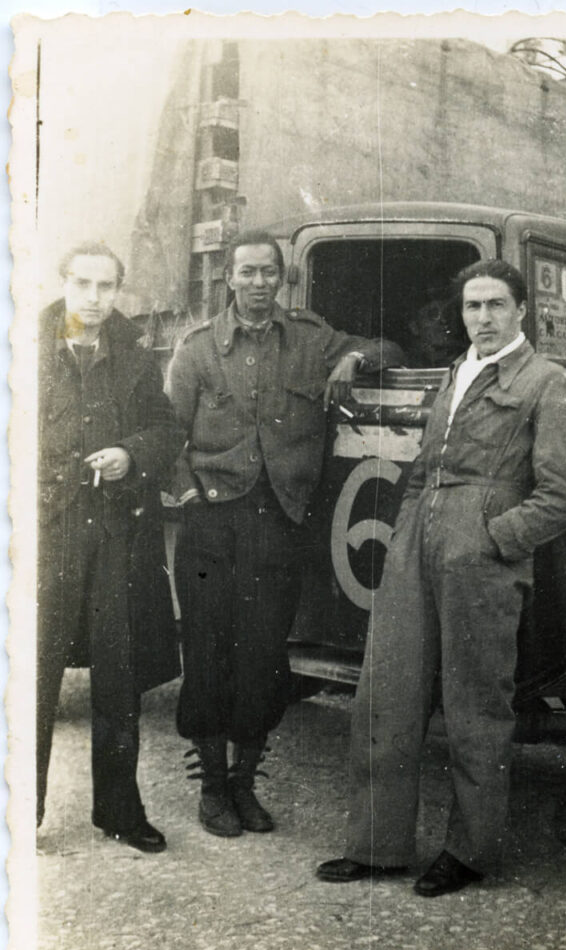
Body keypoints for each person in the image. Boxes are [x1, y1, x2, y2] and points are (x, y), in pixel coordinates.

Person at [317, 258, 566, 896]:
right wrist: (409, 529)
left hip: (483, 558)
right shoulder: (457, 373)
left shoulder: (550, 383)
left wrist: (493, 540)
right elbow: (425, 468)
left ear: (521, 311)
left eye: (495, 305)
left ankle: (469, 852)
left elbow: (563, 496)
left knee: (475, 707)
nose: (484, 318)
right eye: (473, 306)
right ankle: (377, 846)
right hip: (416, 545)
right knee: (386, 691)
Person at [167, 229, 403, 839]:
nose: (259, 283)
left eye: (269, 272)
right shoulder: (197, 350)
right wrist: (191, 496)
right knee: (209, 651)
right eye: (247, 272)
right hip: (211, 524)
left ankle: (246, 785)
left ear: (283, 277)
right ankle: (213, 788)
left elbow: (387, 345)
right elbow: (168, 437)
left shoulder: (312, 340)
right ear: (229, 279)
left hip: (278, 524)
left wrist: (356, 360)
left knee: (264, 656)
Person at [37, 242, 185, 852]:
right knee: (32, 676)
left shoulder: (133, 354)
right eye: (84, 285)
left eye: (107, 287)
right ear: (64, 283)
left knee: (117, 676)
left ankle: (121, 811)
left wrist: (132, 455)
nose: (94, 299)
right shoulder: (25, 346)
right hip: (45, 532)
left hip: (115, 533)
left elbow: (166, 427)